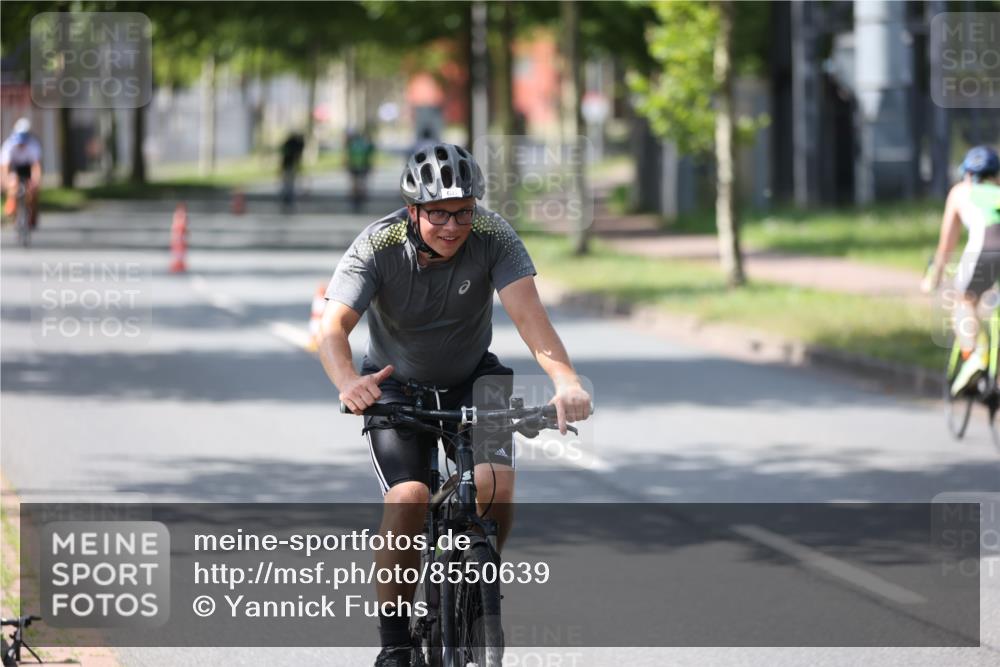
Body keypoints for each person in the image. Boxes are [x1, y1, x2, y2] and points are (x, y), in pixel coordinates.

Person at [319, 143, 592, 667]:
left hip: (474, 379)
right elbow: (332, 327)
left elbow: (531, 319)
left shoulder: (492, 236)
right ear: (413, 210)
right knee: (409, 497)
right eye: (439, 214)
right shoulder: (377, 244)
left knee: (497, 485)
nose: (452, 225)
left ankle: (477, 586)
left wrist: (566, 381)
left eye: (462, 211)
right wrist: (349, 381)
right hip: (395, 384)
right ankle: (396, 642)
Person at [923, 145, 1000, 394]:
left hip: (987, 245)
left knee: (962, 298)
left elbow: (947, 243)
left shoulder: (960, 192)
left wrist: (935, 274)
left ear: (967, 174)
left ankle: (977, 355)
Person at [1, 118, 43, 228]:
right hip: (15, 168)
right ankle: (12, 207)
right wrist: (6, 180)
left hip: (28, 168)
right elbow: (5, 167)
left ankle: (32, 213)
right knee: (13, 185)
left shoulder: (33, 145)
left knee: (33, 191)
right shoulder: (8, 145)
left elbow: (36, 166)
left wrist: (36, 181)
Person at [345, 128, 375, 212]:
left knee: (354, 183)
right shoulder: (366, 144)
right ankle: (362, 196)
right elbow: (371, 155)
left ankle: (354, 197)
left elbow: (348, 155)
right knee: (362, 182)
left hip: (354, 166)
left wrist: (346, 164)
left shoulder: (352, 144)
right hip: (363, 166)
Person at [279, 131, 305, 211]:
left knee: (288, 184)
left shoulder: (289, 144)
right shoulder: (296, 145)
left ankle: (287, 200)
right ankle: (288, 201)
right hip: (289, 166)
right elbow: (296, 157)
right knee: (289, 185)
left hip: (287, 166)